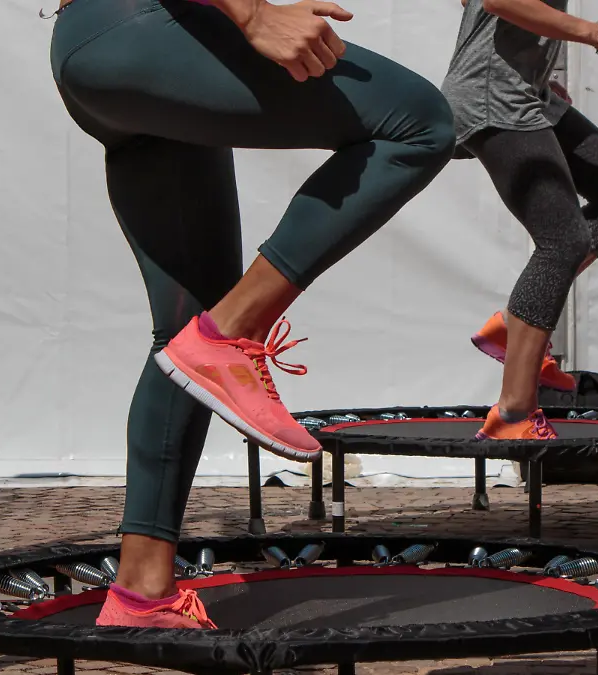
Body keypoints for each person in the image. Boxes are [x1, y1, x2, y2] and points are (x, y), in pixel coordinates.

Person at [49, 0, 456, 628]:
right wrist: (252, 13)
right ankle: (232, 331)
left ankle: (141, 590)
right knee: (417, 120)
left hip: (102, 51)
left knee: (181, 335)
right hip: (138, 26)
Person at [442, 0, 598, 440]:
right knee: (563, 240)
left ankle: (513, 326)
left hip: (526, 92)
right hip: (494, 97)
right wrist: (594, 33)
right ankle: (513, 412)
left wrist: (536, 69)